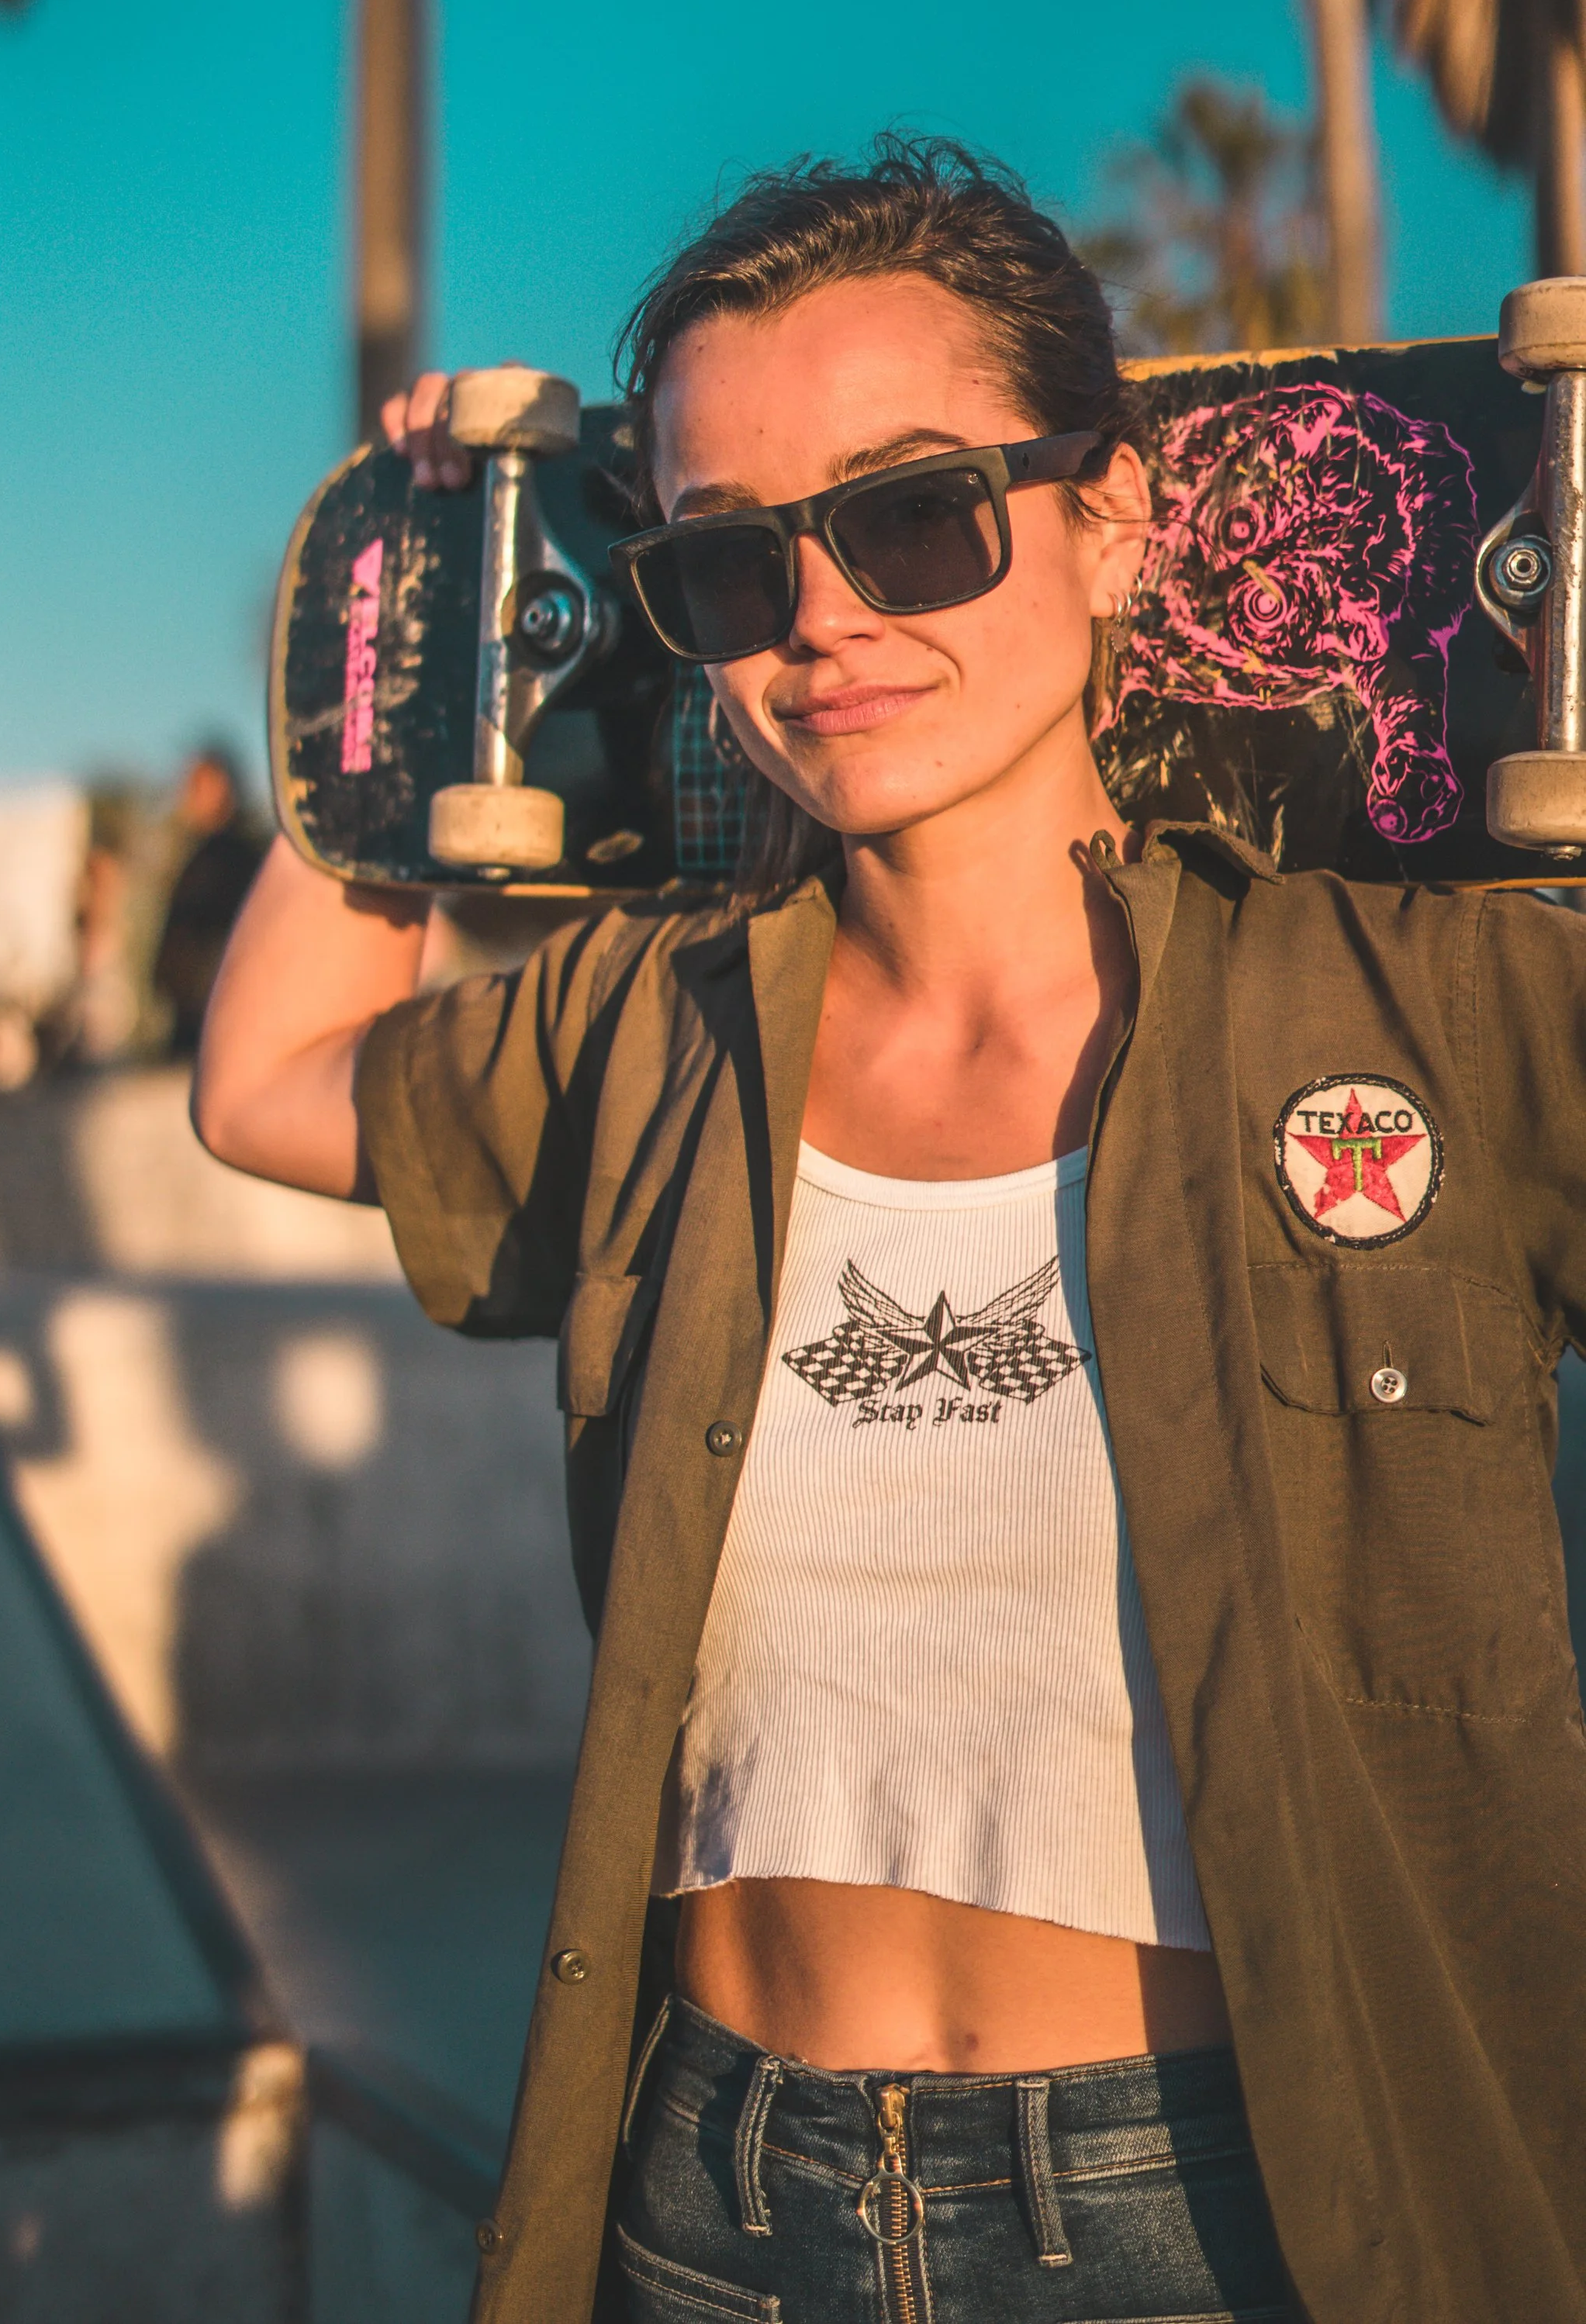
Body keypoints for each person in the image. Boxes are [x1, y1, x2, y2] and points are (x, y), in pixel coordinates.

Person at [193, 140, 1586, 2324]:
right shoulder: (648, 1030)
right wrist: (417, 599)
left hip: (1219, 2205)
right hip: (715, 2187)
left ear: (1109, 521)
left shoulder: (1418, 998)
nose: (826, 611)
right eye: (729, 562)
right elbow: (268, 1081)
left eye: (915, 508)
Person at [151, 744, 267, 1058]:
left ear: (224, 786)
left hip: (216, 1021)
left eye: (198, 785)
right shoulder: (196, 853)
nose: (188, 795)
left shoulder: (235, 858)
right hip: (193, 1018)